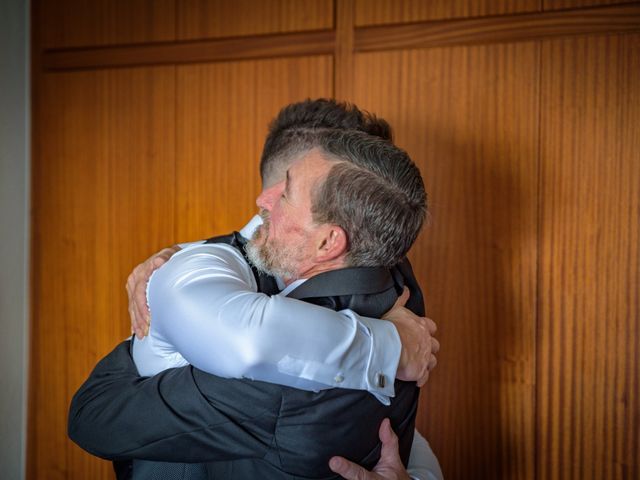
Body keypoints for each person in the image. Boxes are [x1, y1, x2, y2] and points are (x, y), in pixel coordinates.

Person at [69, 113, 441, 479]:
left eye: (287, 191)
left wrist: (168, 298)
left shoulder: (278, 379)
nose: (262, 199)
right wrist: (179, 257)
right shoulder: (395, 277)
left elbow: (95, 415)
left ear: (329, 240)